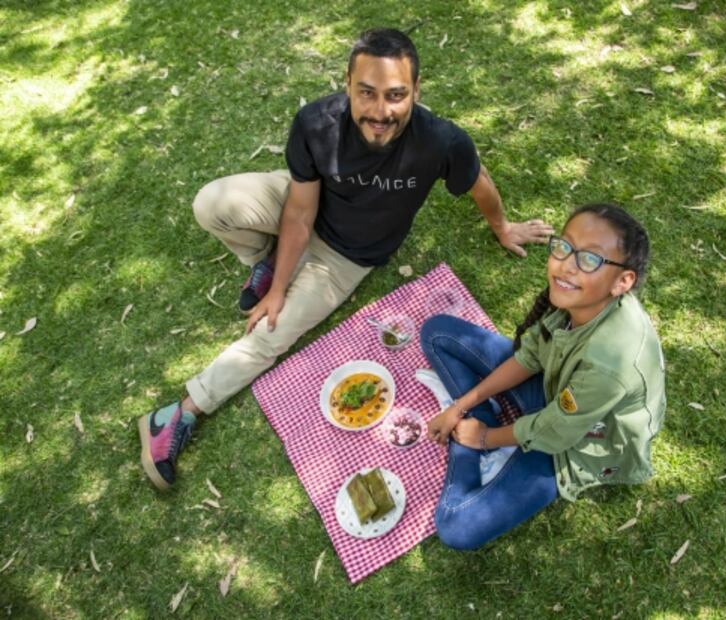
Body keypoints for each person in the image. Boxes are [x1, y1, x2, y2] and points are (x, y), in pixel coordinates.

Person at [137, 28, 553, 491]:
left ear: (416, 91)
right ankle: (268, 260)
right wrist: (277, 288)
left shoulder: (440, 142)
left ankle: (179, 413)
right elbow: (299, 210)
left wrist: (502, 227)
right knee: (212, 204)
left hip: (344, 258)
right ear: (347, 85)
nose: (380, 111)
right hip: (301, 203)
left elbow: (479, 183)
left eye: (396, 95)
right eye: (367, 93)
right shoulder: (316, 123)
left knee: (271, 334)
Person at [419, 203, 666, 550]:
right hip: (555, 392)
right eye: (564, 247)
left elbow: (555, 431)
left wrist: (484, 438)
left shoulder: (611, 363)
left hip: (576, 445)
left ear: (622, 282)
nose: (565, 265)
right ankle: (478, 421)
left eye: (590, 259)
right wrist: (460, 406)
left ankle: (470, 444)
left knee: (456, 527)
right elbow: (531, 356)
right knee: (437, 332)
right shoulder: (574, 301)